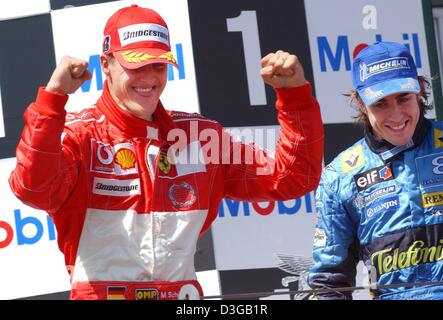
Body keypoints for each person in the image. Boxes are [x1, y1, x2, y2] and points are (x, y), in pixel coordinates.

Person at [8, 4, 324, 300]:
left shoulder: (200, 138)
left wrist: (294, 96)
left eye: (158, 65)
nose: (148, 77)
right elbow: (34, 190)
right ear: (106, 65)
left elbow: (293, 177)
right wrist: (52, 101)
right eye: (136, 65)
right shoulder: (80, 135)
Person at [308, 41, 443, 300]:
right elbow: (329, 281)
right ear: (360, 103)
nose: (396, 115)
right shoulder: (340, 175)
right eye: (380, 103)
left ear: (420, 90)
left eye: (403, 98)